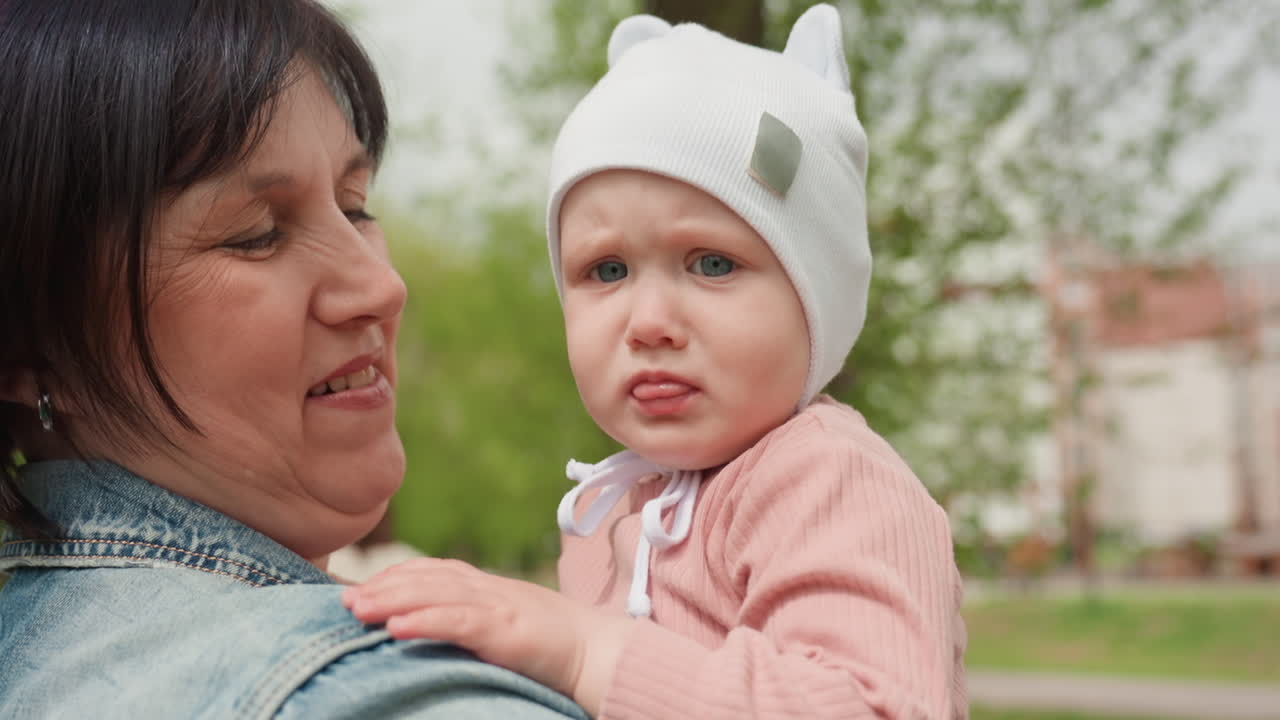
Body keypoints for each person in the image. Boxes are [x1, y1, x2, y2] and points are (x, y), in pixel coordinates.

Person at [344, 5, 967, 719]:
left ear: (815, 295)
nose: (648, 323)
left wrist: (584, 650)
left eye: (710, 263)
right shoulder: (609, 513)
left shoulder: (830, 483)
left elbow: (869, 705)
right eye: (607, 271)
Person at [0, 2, 590, 718]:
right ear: (28, 343)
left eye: (356, 206)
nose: (381, 287)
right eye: (255, 236)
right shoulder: (380, 697)